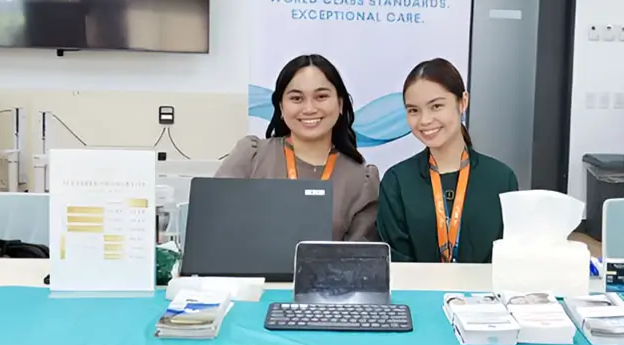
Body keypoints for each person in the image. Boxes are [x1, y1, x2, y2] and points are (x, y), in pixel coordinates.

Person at [215, 54, 379, 242]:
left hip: (327, 272)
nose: (309, 108)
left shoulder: (361, 180)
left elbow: (358, 260)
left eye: (321, 96)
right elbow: (215, 226)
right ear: (281, 107)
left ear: (340, 104)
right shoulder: (251, 157)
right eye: (296, 98)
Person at [377, 58, 518, 263]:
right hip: (415, 294)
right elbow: (395, 263)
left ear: (463, 102)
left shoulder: (501, 179)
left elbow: (507, 257)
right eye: (414, 110)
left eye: (436, 106)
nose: (425, 120)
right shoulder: (397, 181)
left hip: (482, 295)